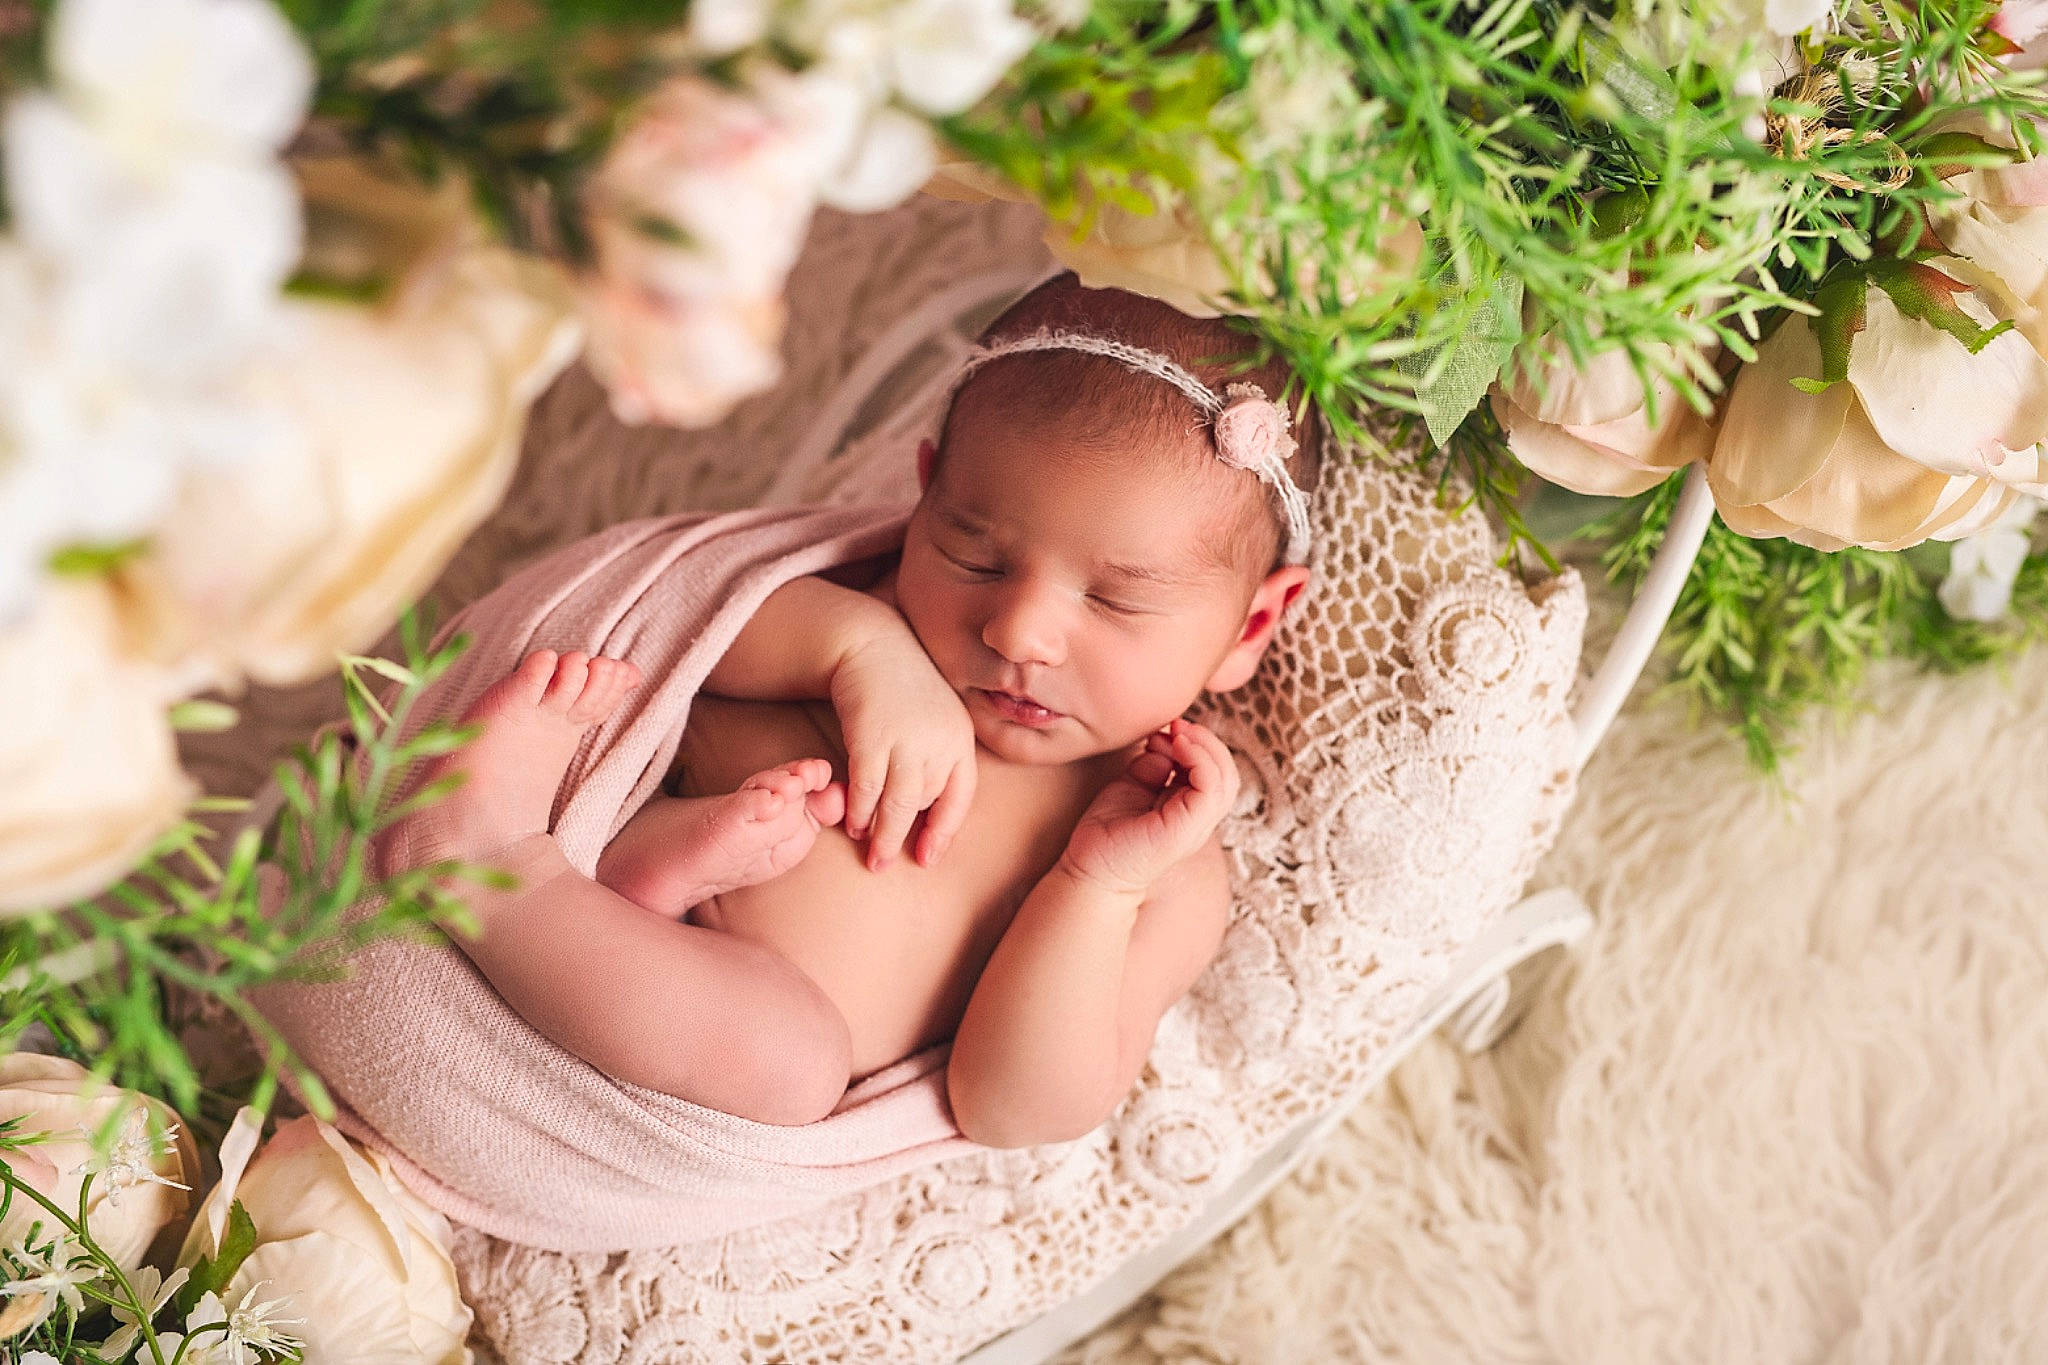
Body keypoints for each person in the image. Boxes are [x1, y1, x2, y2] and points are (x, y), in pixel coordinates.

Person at [376, 273, 1320, 1148]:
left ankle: (497, 876)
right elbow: (671, 629)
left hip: (694, 1040)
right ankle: (529, 859)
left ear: (1253, 625)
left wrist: (1094, 888)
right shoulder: (862, 607)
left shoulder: (1167, 865)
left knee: (798, 1059)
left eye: (1114, 601)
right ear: (922, 500)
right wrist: (858, 652)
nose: (1019, 629)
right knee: (649, 849)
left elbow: (1011, 1106)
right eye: (975, 557)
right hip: (611, 888)